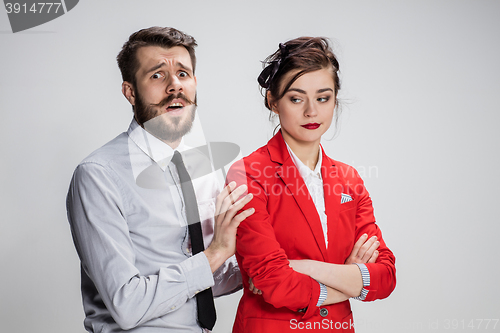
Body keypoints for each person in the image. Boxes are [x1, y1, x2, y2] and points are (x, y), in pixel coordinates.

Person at [66, 27, 254, 333]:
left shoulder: (213, 168)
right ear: (130, 92)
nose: (174, 86)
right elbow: (127, 305)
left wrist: (268, 266)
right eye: (157, 75)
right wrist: (216, 253)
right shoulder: (98, 175)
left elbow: (205, 282)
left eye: (183, 73)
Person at [226, 37, 396, 332]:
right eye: (296, 98)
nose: (311, 111)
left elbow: (384, 277)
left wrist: (303, 267)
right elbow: (274, 283)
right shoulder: (248, 174)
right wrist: (349, 279)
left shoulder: (349, 179)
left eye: (323, 97)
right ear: (273, 101)